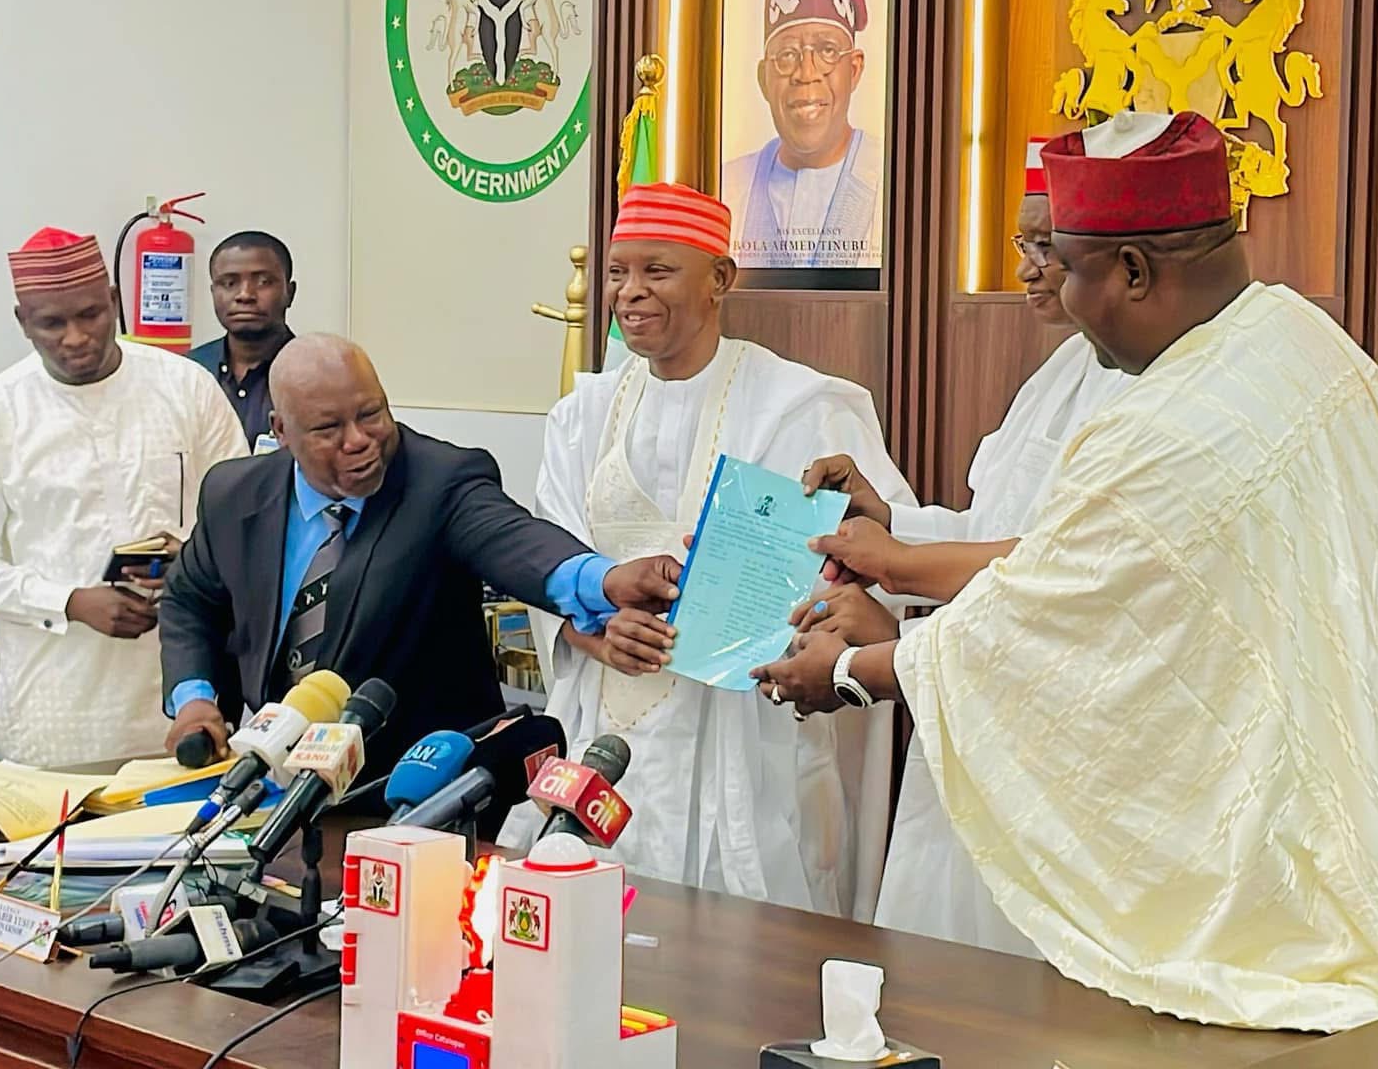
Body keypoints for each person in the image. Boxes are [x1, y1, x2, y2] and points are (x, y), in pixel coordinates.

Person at [753, 112, 1378, 1032]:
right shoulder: (1303, 346)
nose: (1055, 288)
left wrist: (857, 669)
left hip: (1249, 847)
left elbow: (1060, 607)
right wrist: (900, 544)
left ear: (1135, 270)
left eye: (1065, 263)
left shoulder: (1175, 420)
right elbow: (1057, 555)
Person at [502, 182, 915, 918]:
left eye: (657, 271)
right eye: (619, 272)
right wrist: (596, 631)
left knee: (745, 944)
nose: (630, 292)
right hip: (607, 725)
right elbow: (546, 564)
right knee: (592, 921)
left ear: (719, 278)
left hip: (747, 735)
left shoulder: (802, 408)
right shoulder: (582, 415)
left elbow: (876, 565)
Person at [800, 138, 1132, 954]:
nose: (1027, 268)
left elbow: (1067, 569)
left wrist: (894, 577)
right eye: (1023, 243)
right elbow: (994, 530)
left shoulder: (1145, 387)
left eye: (1047, 247)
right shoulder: (1064, 367)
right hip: (977, 714)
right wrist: (888, 520)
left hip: (1060, 748)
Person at [159, 333, 681, 781]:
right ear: (281, 430)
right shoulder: (234, 494)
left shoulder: (439, 480)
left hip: (414, 788)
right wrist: (195, 699)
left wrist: (604, 580)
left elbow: (514, 540)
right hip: (278, 779)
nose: (358, 440)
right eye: (328, 429)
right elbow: (190, 601)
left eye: (371, 414)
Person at [0, 228, 249, 767]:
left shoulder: (186, 388)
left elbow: (244, 523)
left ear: (113, 300)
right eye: (52, 323)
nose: (76, 337)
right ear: (23, 322)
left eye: (90, 315)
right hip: (54, 719)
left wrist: (191, 562)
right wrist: (69, 602)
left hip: (186, 711)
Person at [721, 0, 882, 270]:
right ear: (764, 79)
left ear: (854, 70)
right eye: (787, 55)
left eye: (826, 51)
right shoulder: (727, 188)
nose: (806, 73)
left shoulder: (893, 182)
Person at [188, 231, 297, 449]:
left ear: (290, 293)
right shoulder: (189, 372)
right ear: (213, 292)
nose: (245, 295)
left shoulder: (314, 376)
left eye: (264, 282)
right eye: (229, 283)